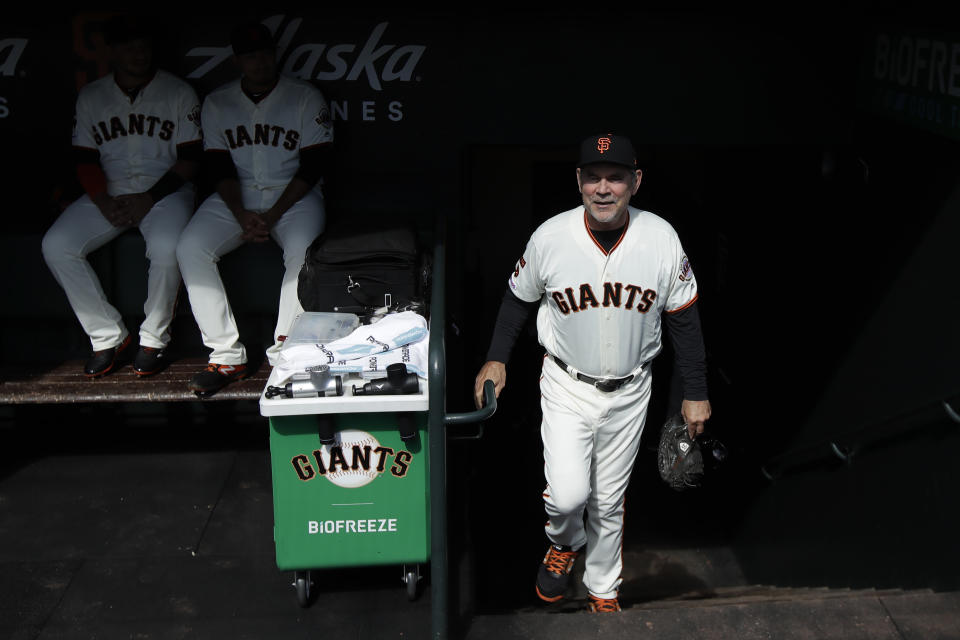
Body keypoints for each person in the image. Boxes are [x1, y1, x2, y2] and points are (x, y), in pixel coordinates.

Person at [473, 134, 711, 613]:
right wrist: (497, 356)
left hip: (631, 390)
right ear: (578, 181)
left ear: (636, 182)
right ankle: (564, 542)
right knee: (566, 497)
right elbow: (517, 300)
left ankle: (604, 590)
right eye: (593, 177)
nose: (604, 188)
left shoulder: (661, 238)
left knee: (608, 500)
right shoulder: (550, 237)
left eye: (616, 177)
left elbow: (684, 318)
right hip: (566, 384)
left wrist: (696, 390)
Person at [176, 21, 333, 396]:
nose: (259, 61)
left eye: (264, 53)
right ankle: (226, 356)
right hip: (236, 196)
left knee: (303, 252)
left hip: (294, 195)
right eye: (250, 55)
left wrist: (271, 215)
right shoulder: (218, 101)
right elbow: (218, 167)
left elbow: (313, 167)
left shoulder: (305, 97)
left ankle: (285, 352)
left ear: (275, 55)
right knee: (189, 247)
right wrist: (241, 214)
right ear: (238, 60)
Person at [42, 14, 202, 378]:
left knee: (166, 248)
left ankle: (153, 338)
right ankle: (107, 337)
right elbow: (84, 159)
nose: (138, 54)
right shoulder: (93, 95)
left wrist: (148, 198)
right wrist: (102, 201)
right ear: (112, 52)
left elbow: (191, 158)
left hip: (166, 191)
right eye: (129, 47)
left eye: (143, 47)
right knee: (57, 244)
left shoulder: (177, 91)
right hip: (111, 191)